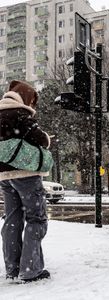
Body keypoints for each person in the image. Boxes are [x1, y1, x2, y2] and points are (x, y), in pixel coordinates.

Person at [0, 80, 51, 282]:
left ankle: (12, 268)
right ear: (26, 99)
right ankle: (31, 270)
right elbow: (40, 139)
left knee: (12, 220)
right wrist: (47, 138)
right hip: (25, 174)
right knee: (36, 219)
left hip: (4, 176)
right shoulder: (20, 114)